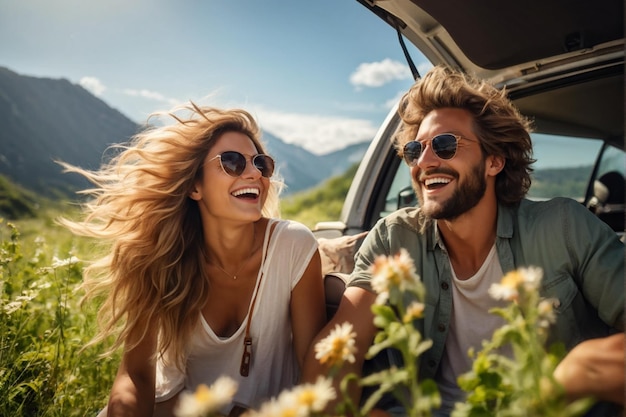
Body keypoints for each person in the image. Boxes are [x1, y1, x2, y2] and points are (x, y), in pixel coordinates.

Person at [302, 65, 624, 416]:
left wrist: (568, 380)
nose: (424, 161)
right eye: (414, 150)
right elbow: (335, 352)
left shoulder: (564, 226)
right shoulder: (394, 238)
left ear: (494, 161)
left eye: (444, 145)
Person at [59, 103, 326, 417]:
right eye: (232, 162)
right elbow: (137, 375)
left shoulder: (294, 247)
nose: (254, 173)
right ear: (194, 186)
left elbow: (316, 371)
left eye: (261, 163)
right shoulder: (161, 258)